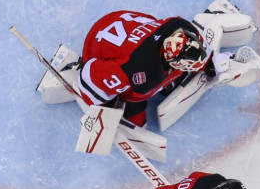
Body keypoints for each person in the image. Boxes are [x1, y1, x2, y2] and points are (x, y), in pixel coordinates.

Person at [78, 11, 217, 128]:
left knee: (158, 84)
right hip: (96, 47)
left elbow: (193, 40)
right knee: (136, 119)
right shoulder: (137, 73)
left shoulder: (179, 26)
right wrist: (103, 107)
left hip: (122, 22)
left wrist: (209, 60)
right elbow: (90, 75)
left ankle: (168, 82)